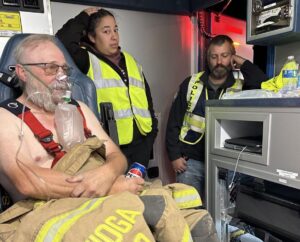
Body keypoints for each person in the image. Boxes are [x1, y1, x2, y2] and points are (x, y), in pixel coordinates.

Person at [0, 34, 219, 242]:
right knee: (133, 221)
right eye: (50, 68)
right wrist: (107, 189)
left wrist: (106, 174)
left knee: (194, 216)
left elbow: (116, 156)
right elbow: (27, 183)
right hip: (51, 206)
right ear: (22, 72)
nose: (61, 77)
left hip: (105, 188)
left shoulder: (80, 109)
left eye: (64, 69)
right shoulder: (6, 117)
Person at [166, 35, 268, 201]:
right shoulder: (191, 83)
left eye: (225, 55)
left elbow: (264, 84)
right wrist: (174, 156)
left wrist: (244, 63)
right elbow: (174, 121)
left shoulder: (242, 85)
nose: (219, 61)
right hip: (190, 163)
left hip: (225, 164)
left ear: (232, 57)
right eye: (214, 56)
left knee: (221, 214)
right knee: (189, 212)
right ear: (208, 59)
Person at [56, 7, 158, 169]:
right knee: (116, 194)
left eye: (115, 30)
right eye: (106, 31)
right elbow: (62, 43)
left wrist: (149, 141)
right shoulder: (86, 60)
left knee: (137, 190)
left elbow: (148, 104)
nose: (114, 36)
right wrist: (82, 18)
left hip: (141, 147)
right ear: (91, 36)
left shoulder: (132, 62)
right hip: (107, 149)